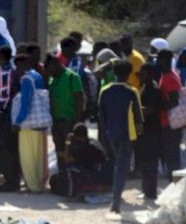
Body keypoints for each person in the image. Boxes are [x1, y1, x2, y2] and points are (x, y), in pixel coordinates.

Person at [98, 60, 144, 214]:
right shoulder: (132, 91)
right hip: (127, 134)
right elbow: (138, 116)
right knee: (122, 167)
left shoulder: (105, 90)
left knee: (116, 164)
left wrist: (105, 132)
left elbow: (101, 114)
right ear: (129, 74)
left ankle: (116, 197)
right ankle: (116, 201)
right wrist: (140, 132)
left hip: (110, 134)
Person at [13, 54, 49, 193]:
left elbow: (25, 104)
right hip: (40, 121)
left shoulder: (26, 79)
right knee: (39, 155)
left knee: (28, 156)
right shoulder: (37, 76)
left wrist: (18, 122)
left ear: (21, 65)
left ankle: (32, 185)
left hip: (28, 123)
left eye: (17, 67)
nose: (16, 70)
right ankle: (40, 184)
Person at [50, 123, 112, 197]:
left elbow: (67, 159)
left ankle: (70, 191)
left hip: (99, 176)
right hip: (107, 175)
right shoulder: (91, 142)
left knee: (70, 168)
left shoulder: (87, 147)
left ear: (78, 136)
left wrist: (68, 141)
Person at [46, 54, 83, 166]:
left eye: (50, 69)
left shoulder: (72, 77)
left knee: (71, 150)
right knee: (59, 150)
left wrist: (78, 123)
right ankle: (62, 177)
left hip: (69, 121)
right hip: (55, 122)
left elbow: (80, 101)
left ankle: (72, 175)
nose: (49, 72)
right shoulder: (52, 79)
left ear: (56, 64)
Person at [0, 45, 21, 192]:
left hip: (6, 116)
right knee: (12, 148)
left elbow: (3, 97)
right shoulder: (12, 71)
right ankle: (13, 179)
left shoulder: (5, 72)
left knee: (6, 149)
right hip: (12, 114)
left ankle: (10, 181)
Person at [138, 62, 163, 200]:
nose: (139, 77)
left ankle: (151, 192)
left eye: (142, 74)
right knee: (144, 161)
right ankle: (146, 190)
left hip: (152, 130)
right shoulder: (145, 87)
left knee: (151, 162)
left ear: (149, 75)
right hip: (145, 130)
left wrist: (134, 109)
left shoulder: (153, 88)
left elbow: (150, 109)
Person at [158, 49, 183, 178]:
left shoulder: (170, 77)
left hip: (170, 123)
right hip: (166, 122)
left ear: (164, 60)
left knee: (172, 156)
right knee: (169, 155)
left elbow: (174, 101)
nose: (157, 61)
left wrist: (159, 107)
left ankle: (174, 182)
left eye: (158, 58)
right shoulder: (166, 74)